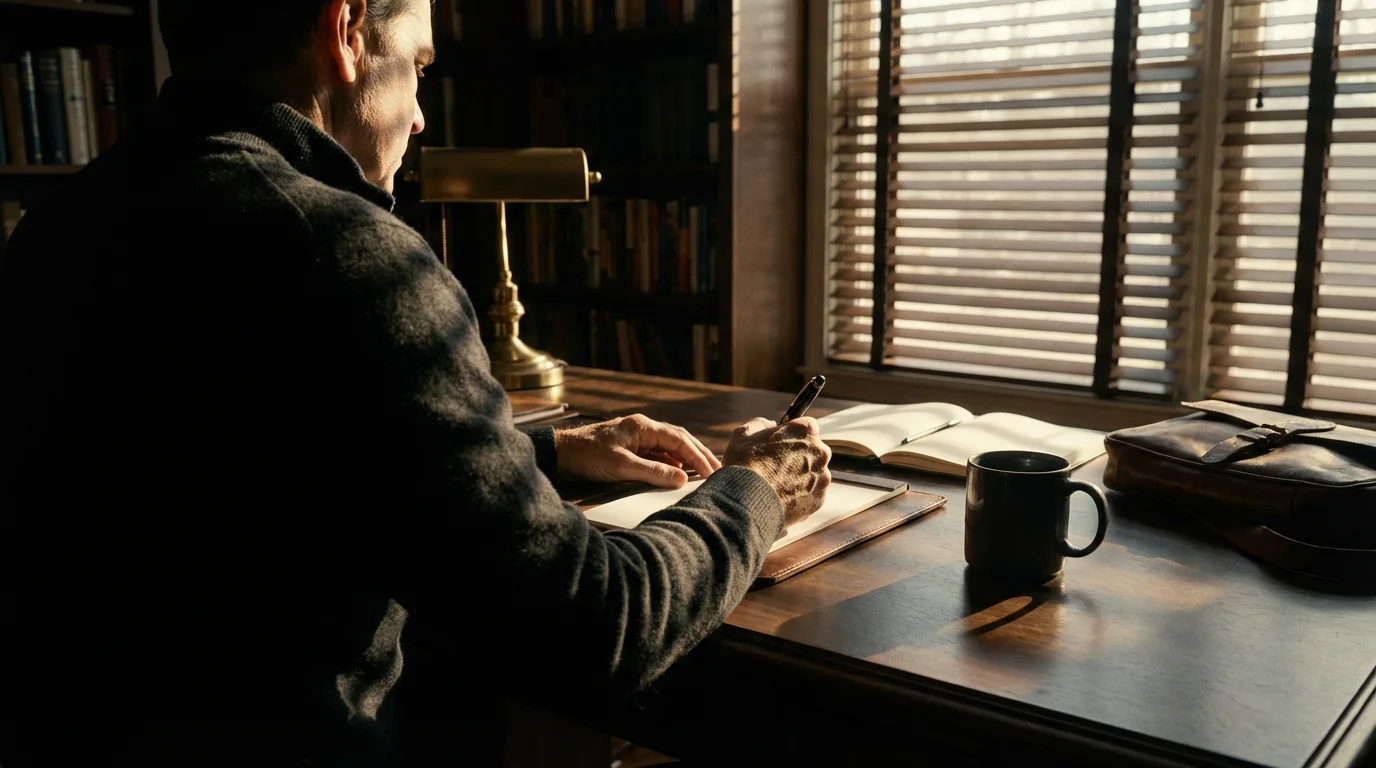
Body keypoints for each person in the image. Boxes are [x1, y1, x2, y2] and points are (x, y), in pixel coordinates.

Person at [0, 0, 832, 766]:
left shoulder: (59, 228)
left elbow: (256, 471)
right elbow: (593, 628)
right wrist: (752, 488)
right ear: (348, 32)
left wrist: (543, 454)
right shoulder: (344, 253)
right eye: (422, 67)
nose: (424, 114)